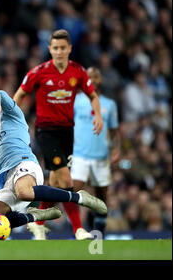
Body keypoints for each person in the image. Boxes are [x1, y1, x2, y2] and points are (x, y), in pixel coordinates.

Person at [0, 91, 107, 229]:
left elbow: (1, 94)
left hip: (26, 164)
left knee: (23, 192)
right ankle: (36, 215)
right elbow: (2, 186)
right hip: (11, 177)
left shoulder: (12, 115)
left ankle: (79, 197)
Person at [13, 29, 104, 240]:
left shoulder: (78, 72)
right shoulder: (39, 72)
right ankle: (78, 229)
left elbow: (93, 96)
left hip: (67, 133)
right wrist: (15, 121)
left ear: (69, 49)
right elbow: (19, 95)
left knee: (55, 183)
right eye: (55, 48)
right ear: (50, 49)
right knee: (66, 179)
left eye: (63, 48)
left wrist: (97, 115)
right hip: (46, 132)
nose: (59, 52)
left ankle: (38, 224)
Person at [71, 67, 120, 235]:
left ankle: (99, 233)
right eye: (88, 76)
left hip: (101, 157)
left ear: (100, 80)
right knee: (73, 192)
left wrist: (117, 149)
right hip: (79, 155)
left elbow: (114, 131)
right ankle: (77, 228)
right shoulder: (76, 101)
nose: (92, 78)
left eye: (95, 76)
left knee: (102, 197)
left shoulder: (110, 104)